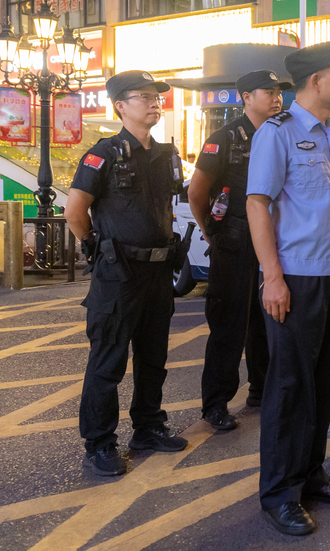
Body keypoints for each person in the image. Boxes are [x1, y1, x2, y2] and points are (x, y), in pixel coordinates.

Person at [246, 42, 330, 536]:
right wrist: (272, 276)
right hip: (294, 276)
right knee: (290, 386)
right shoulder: (278, 134)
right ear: (317, 81)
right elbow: (257, 204)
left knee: (319, 382)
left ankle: (310, 474)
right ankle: (279, 493)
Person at [65, 71, 188, 476]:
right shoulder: (104, 154)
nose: (155, 103)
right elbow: (75, 210)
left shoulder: (167, 154)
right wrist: (95, 248)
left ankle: (148, 427)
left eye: (157, 98)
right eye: (145, 97)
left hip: (158, 274)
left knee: (153, 357)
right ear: (120, 106)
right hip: (119, 275)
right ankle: (99, 443)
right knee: (109, 361)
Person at [189, 70, 291, 431]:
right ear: (246, 96)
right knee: (228, 325)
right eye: (268, 91)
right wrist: (213, 232)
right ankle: (215, 403)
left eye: (279, 91)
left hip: (274, 243)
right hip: (234, 241)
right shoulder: (226, 138)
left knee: (265, 322)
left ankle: (261, 389)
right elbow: (197, 193)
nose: (276, 97)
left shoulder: (281, 133)